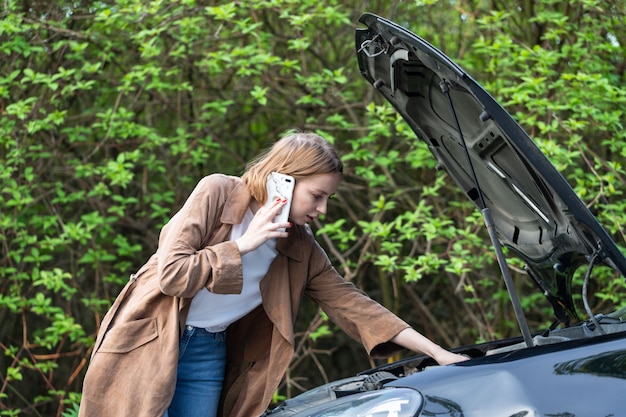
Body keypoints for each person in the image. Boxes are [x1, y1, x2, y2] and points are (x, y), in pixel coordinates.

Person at [78, 131, 468, 417]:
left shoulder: (299, 246)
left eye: (328, 198)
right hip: (148, 339)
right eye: (317, 195)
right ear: (283, 179)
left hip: (207, 352)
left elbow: (355, 305)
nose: (323, 210)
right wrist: (243, 246)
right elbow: (172, 274)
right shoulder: (216, 192)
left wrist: (437, 353)